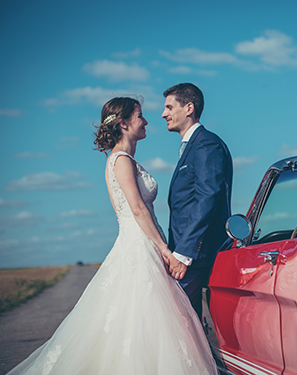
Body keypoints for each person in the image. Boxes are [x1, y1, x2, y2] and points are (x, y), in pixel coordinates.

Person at [7, 97, 218, 375]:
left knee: (147, 320)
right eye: (140, 116)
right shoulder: (120, 160)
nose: (146, 121)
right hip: (139, 245)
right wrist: (165, 249)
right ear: (124, 123)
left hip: (144, 243)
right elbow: (138, 209)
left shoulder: (126, 159)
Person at [162, 83, 233, 319]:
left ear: (189, 107)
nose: (164, 114)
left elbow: (207, 197)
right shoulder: (191, 146)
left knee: (180, 322)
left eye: (169, 107)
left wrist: (184, 253)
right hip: (187, 253)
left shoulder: (205, 144)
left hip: (195, 257)